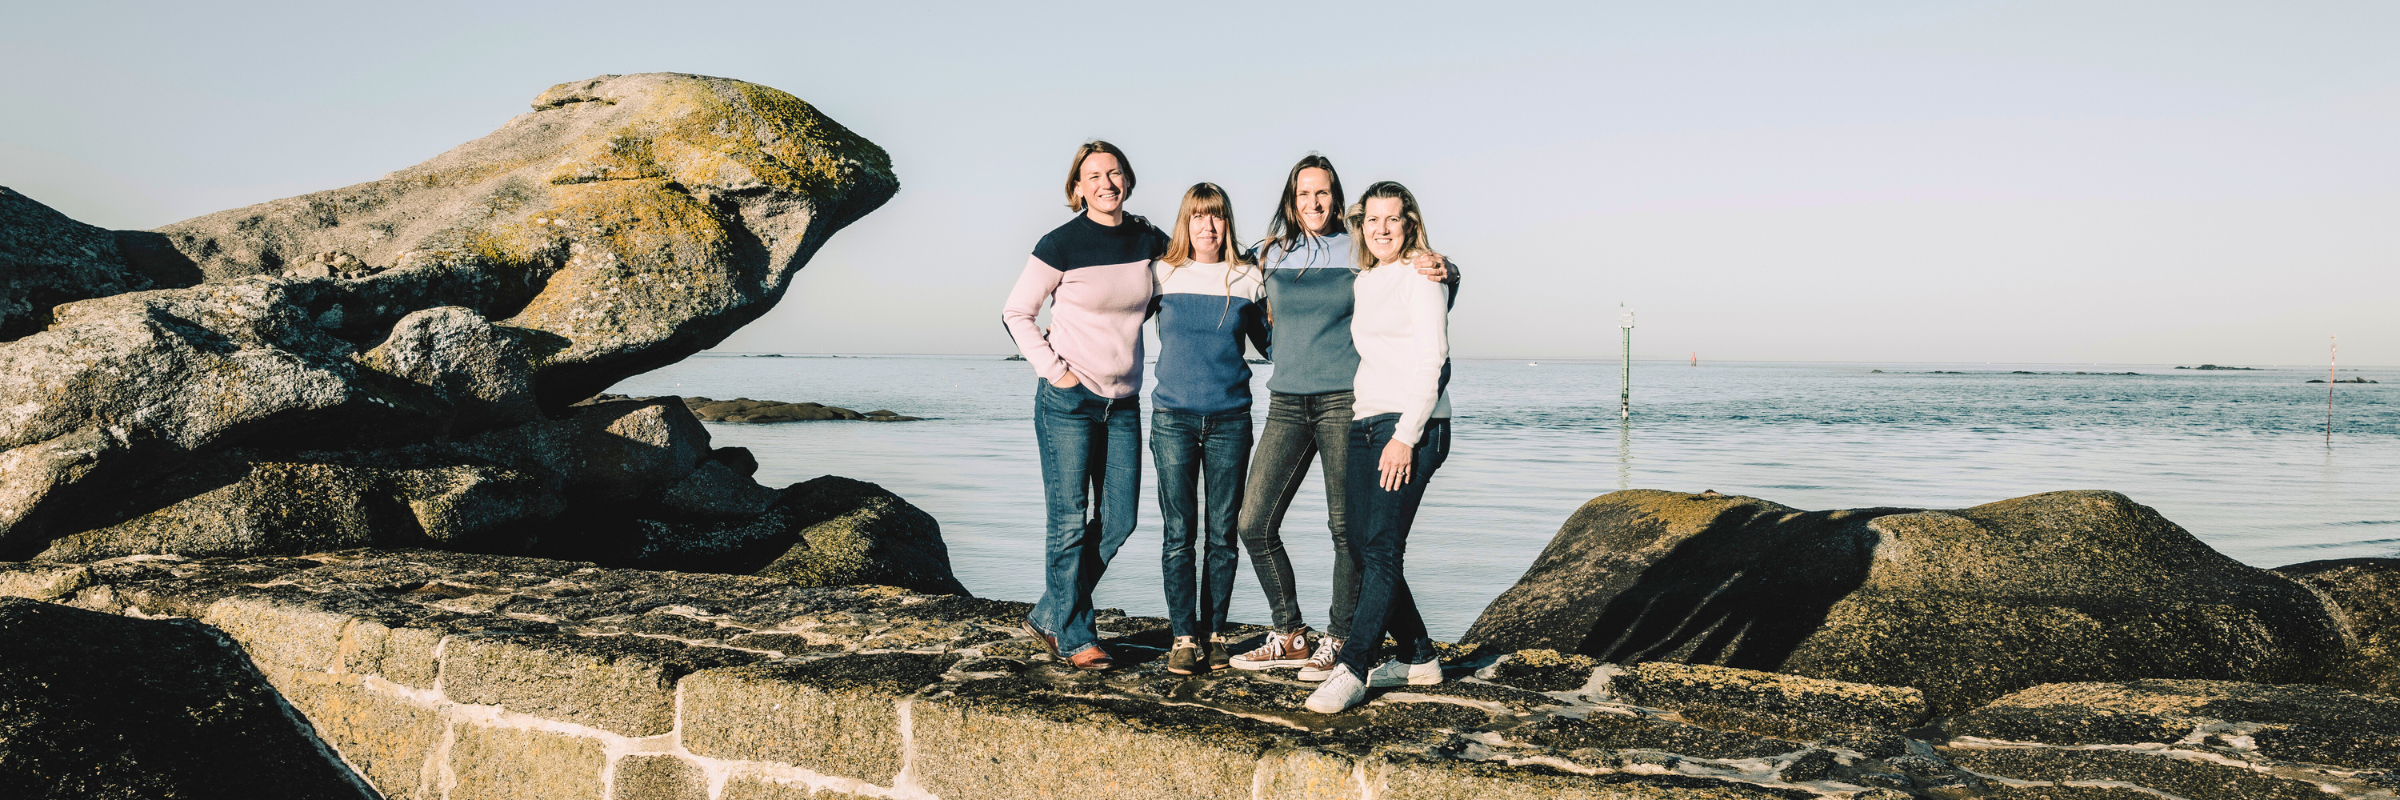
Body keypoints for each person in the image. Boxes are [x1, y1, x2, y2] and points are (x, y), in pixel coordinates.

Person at [1228, 155, 1456, 680]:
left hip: (1345, 402)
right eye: (1303, 193)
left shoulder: (1358, 248)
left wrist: (1450, 269)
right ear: (1291, 199)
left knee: (1346, 531)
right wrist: (1275, 350)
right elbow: (1232, 289)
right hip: (1286, 401)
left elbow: (1412, 276)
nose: (1313, 202)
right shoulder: (1269, 252)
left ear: (1336, 198)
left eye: (1323, 192)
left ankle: (1338, 638)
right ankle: (1290, 633)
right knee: (1253, 522)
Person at [1001, 140, 1167, 670]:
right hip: (1068, 402)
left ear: (1128, 179)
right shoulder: (1060, 243)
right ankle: (1074, 636)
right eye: (1093, 176)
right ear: (1078, 187)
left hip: (1123, 403)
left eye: (1114, 173)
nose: (1106, 183)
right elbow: (1016, 313)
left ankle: (1048, 614)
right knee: (1070, 522)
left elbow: (1184, 280)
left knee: (1119, 521)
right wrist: (1058, 372)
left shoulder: (1149, 239)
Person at [1306, 181, 1454, 713]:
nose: (1382, 228)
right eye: (1372, 219)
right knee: (1361, 545)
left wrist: (1405, 437)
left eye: (1392, 219)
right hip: (1364, 419)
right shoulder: (1367, 279)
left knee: (1384, 547)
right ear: (1361, 225)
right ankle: (1419, 656)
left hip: (1411, 426)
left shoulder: (1423, 275)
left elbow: (1433, 359)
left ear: (1409, 224)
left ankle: (1353, 666)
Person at [1148, 183, 1270, 675]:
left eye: (1216, 216)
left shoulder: (1248, 277)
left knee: (1222, 533)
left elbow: (1272, 344)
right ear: (1186, 221)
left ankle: (1215, 634)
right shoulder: (1161, 273)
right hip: (1172, 420)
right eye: (1198, 216)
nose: (1208, 226)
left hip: (1230, 420)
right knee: (1179, 533)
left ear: (1227, 222)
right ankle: (1183, 637)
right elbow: (1116, 318)